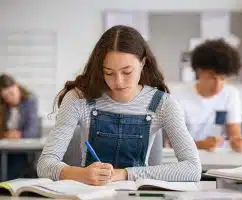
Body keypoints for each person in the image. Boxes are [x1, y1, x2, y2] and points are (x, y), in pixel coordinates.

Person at [37, 25, 202, 185]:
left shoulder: (163, 104)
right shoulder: (79, 98)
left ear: (143, 63)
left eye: (127, 72)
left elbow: (193, 168)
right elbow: (45, 164)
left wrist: (124, 174)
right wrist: (79, 174)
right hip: (90, 193)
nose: (118, 82)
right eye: (109, 72)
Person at [172, 39, 242, 152]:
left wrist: (238, 143)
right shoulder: (179, 95)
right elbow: (173, 141)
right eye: (212, 77)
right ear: (198, 72)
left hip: (219, 161)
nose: (218, 86)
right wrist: (200, 145)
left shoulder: (230, 94)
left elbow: (235, 135)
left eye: (223, 78)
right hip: (186, 159)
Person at [0, 74, 39, 179]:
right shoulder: (3, 106)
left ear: (16, 86)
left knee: (11, 168)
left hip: (21, 150)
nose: (10, 98)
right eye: (5, 97)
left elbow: (32, 131)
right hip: (4, 149)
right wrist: (5, 134)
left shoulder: (30, 100)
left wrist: (19, 134)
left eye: (11, 93)